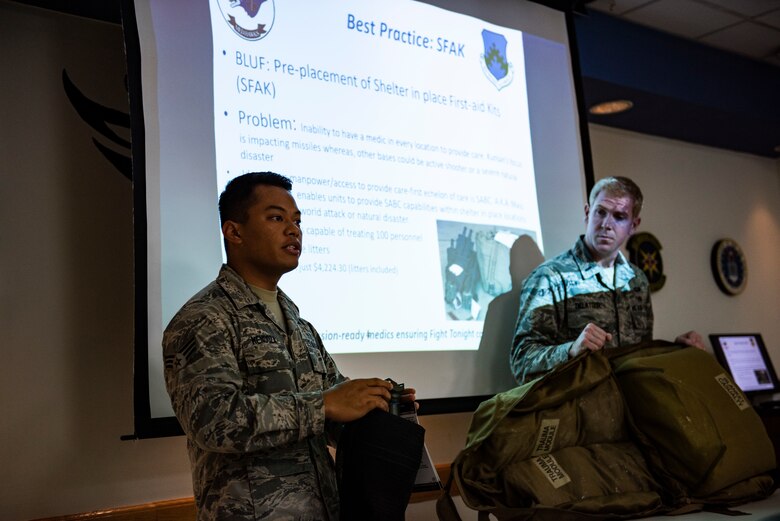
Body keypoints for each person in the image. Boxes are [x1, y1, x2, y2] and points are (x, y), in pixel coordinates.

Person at [163, 171, 415, 521]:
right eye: (276, 218)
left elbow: (335, 413)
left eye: (297, 221)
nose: (293, 230)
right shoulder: (204, 318)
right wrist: (323, 406)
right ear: (234, 232)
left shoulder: (299, 324)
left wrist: (381, 409)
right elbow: (214, 421)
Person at [510, 176, 704, 384]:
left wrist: (676, 350)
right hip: (578, 410)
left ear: (633, 225)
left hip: (632, 409)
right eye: (600, 212)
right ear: (587, 213)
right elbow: (521, 362)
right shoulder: (550, 277)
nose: (606, 224)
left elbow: (640, 359)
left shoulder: (637, 281)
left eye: (619, 216)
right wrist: (571, 350)